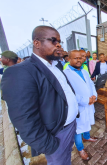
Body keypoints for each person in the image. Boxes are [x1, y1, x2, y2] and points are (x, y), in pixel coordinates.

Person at [1, 26, 79, 165]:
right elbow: (24, 118)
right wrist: (49, 145)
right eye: (53, 40)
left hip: (70, 126)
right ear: (37, 43)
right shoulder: (21, 72)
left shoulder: (56, 66)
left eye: (59, 41)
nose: (59, 44)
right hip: (55, 135)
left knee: (66, 158)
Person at [64, 50, 98, 160]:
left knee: (87, 122)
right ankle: (80, 148)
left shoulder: (83, 70)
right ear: (69, 59)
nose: (79, 60)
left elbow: (91, 84)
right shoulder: (66, 74)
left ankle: (87, 137)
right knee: (78, 129)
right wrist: (85, 100)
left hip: (89, 102)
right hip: (78, 106)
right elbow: (69, 94)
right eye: (75, 58)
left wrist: (94, 95)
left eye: (80, 58)